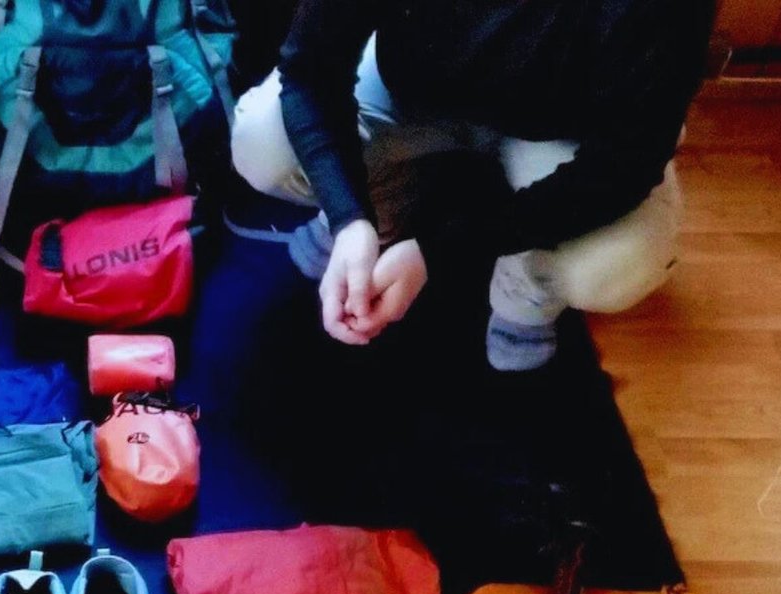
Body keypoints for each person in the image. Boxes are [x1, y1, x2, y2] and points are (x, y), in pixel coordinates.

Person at [230, 0, 716, 370]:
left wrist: (440, 251)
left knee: (617, 263)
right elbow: (310, 72)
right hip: (413, 93)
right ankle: (384, 207)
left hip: (559, 130)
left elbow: (625, 164)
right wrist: (349, 217)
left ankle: (529, 275)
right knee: (263, 141)